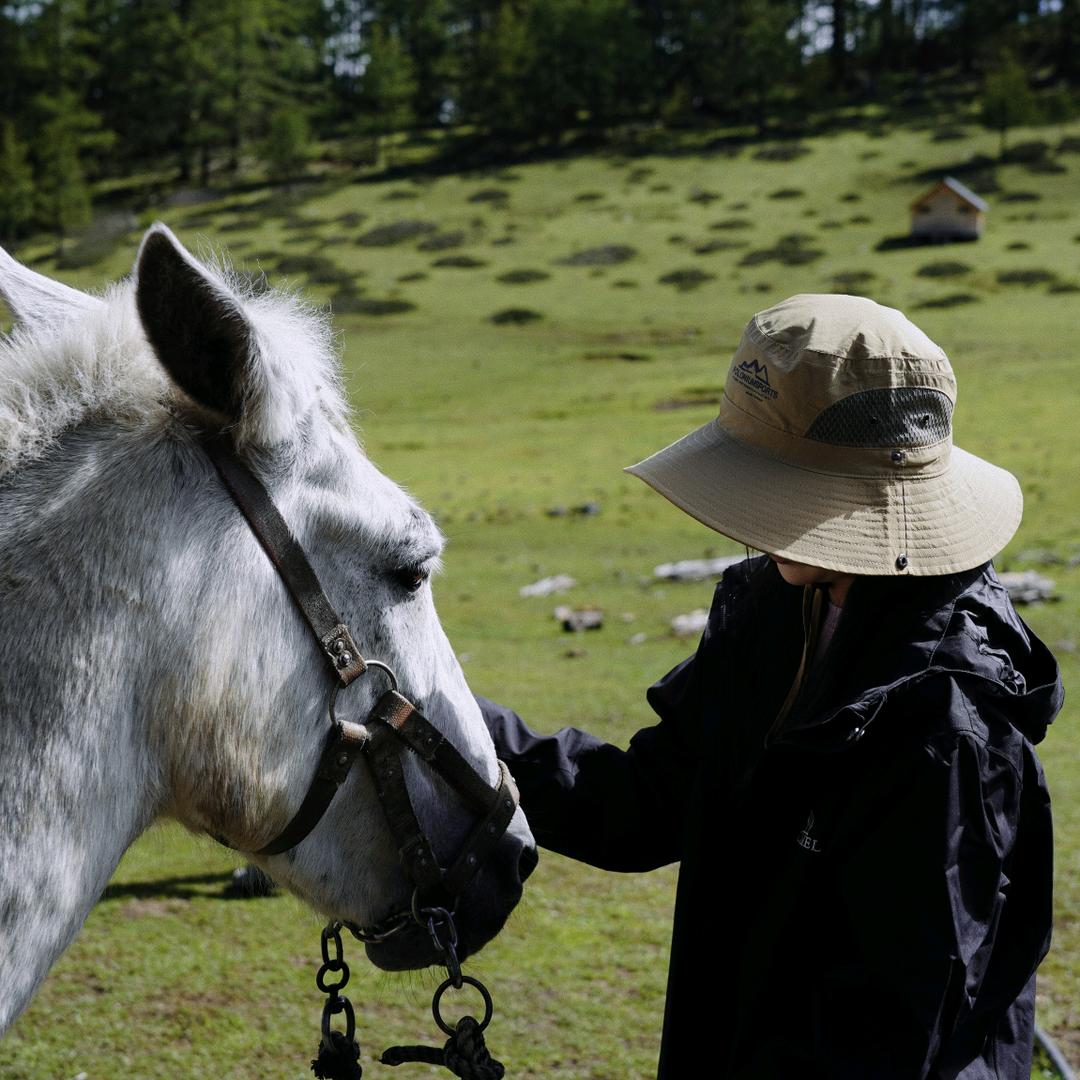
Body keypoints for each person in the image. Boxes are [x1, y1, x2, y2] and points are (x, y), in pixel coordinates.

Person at [476, 294, 1062, 1079]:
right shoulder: (776, 610)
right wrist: (458, 729)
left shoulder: (944, 729)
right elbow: (648, 804)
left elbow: (893, 1033)